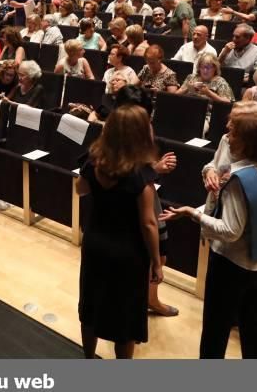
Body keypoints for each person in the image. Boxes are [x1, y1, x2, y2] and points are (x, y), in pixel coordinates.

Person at [161, 102, 257, 358]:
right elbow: (214, 165)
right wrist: (210, 172)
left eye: (234, 127)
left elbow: (229, 231)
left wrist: (192, 213)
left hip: (231, 262)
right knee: (255, 324)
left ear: (248, 139)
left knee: (216, 328)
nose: (227, 129)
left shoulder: (241, 179)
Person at [77, 105, 163, 359]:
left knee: (90, 307)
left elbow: (80, 190)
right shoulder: (141, 174)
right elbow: (148, 223)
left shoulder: (94, 161)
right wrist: (157, 263)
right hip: (128, 253)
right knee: (125, 321)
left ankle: (88, 360)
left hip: (95, 243)